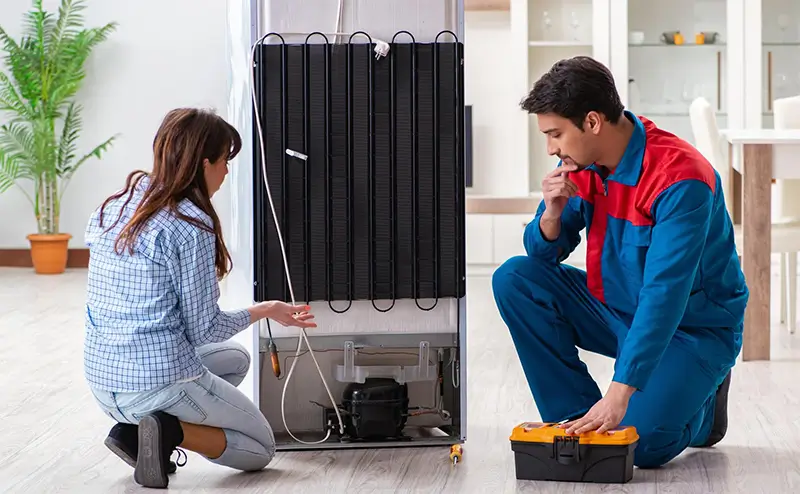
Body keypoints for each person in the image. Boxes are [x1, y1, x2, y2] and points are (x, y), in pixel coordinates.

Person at [492, 56, 748, 469]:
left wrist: (620, 391)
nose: (551, 148)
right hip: (617, 308)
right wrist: (551, 214)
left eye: (555, 134)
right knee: (515, 279)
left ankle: (704, 411)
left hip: (690, 327)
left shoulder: (681, 179)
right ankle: (579, 421)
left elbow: (664, 297)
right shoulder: (583, 163)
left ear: (592, 122)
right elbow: (542, 257)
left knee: (640, 448)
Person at [84, 108, 316, 489]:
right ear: (204, 163)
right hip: (155, 381)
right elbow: (205, 330)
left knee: (237, 359)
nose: (226, 172)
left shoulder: (116, 205)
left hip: (104, 381)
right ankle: (167, 430)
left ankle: (133, 432)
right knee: (261, 447)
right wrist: (267, 309)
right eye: (224, 161)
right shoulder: (191, 226)